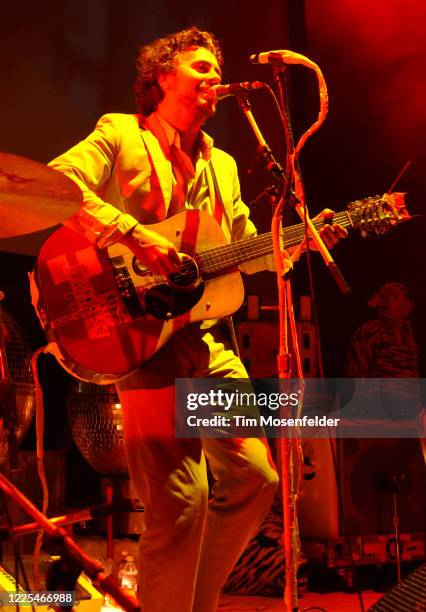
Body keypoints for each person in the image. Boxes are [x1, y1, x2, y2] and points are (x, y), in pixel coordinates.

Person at [49, 27, 346, 612]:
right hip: (144, 338)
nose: (215, 77)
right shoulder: (120, 133)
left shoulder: (225, 164)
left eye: (218, 70)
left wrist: (299, 242)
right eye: (202, 66)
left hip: (208, 339)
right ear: (162, 75)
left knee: (257, 478)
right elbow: (58, 186)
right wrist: (134, 236)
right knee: (180, 500)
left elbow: (240, 250)